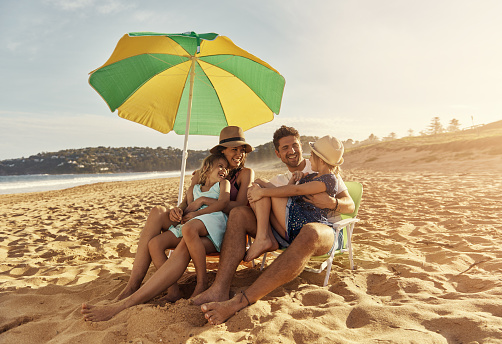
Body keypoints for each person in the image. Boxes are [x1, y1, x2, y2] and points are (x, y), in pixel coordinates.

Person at [81, 126, 254, 322]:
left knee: (187, 236)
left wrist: (203, 203)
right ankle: (133, 285)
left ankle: (126, 304)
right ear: (222, 151)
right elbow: (188, 201)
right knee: (157, 212)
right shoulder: (203, 173)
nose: (239, 154)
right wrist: (178, 209)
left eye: (242, 150)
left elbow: (238, 207)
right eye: (234, 149)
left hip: (216, 227)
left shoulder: (244, 173)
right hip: (194, 219)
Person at [193, 125, 355, 325]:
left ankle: (241, 301)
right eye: (285, 148)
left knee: (310, 232)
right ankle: (219, 287)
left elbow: (350, 205)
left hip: (324, 229)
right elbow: (265, 200)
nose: (292, 151)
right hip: (285, 229)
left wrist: (332, 203)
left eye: (294, 145)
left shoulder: (324, 173)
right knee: (239, 214)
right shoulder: (280, 180)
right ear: (278, 154)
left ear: (302, 146)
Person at [148, 154, 230, 298]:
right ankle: (172, 290)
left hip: (213, 221)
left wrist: (202, 203)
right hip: (192, 223)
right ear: (207, 168)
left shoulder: (223, 184)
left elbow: (223, 203)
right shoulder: (194, 189)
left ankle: (202, 282)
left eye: (226, 168)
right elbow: (189, 209)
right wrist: (179, 212)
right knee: (154, 244)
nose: (224, 170)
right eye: (220, 166)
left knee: (189, 227)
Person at [247, 135, 343, 257]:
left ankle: (263, 238)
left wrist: (262, 192)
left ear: (321, 161)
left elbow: (296, 190)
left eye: (312, 156)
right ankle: (266, 237)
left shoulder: (328, 180)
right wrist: (294, 178)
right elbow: (290, 189)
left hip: (303, 223)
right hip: (294, 217)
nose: (309, 158)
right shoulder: (312, 177)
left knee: (264, 192)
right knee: (260, 183)